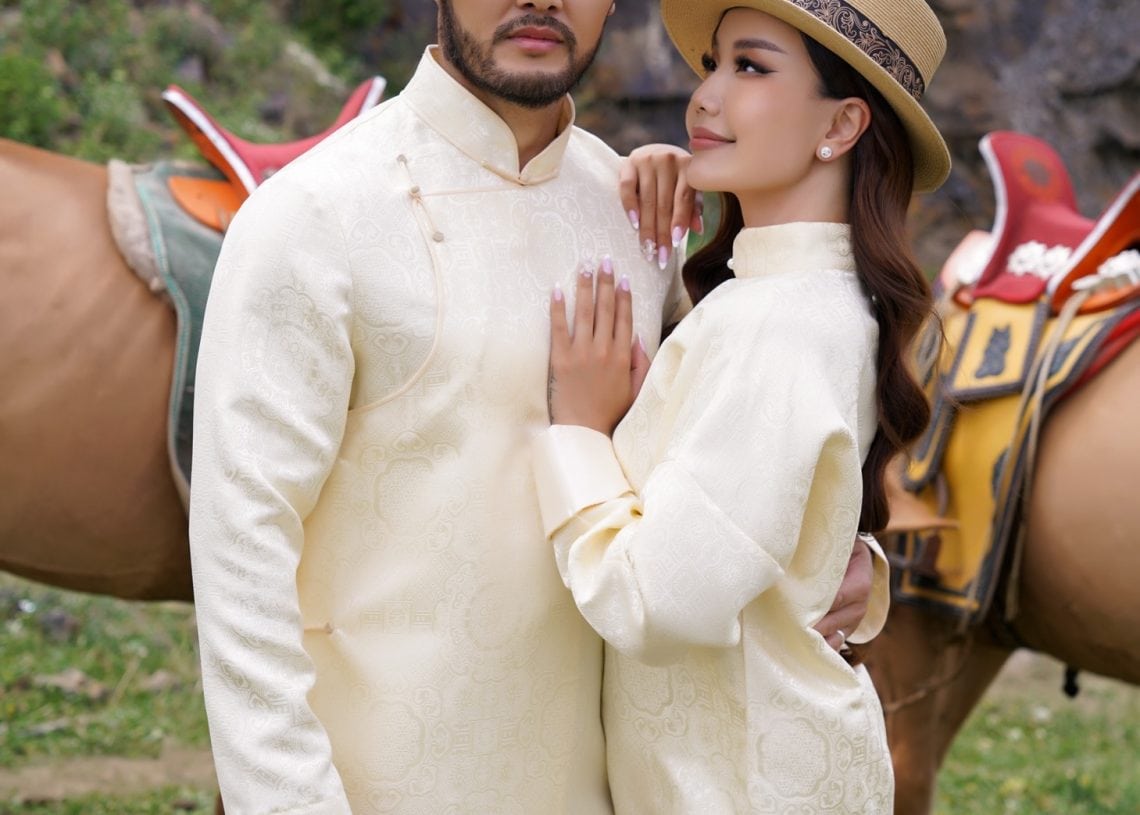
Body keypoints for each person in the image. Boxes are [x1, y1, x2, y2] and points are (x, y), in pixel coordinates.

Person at [188, 1, 884, 812]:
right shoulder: (315, 217)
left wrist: (839, 546)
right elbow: (242, 560)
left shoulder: (635, 211)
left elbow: (728, 456)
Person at [535, 0, 950, 811]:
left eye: (751, 67)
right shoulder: (795, 298)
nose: (705, 97)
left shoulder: (776, 322)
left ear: (841, 125)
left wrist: (577, 431)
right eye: (712, 65)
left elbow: (657, 603)